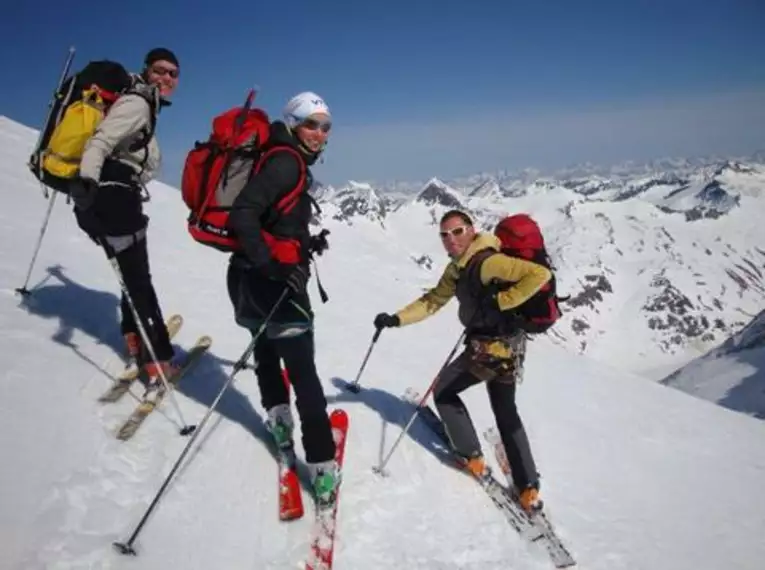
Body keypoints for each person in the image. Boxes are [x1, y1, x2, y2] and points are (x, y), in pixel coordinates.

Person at [374, 209, 553, 513]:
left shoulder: (487, 262)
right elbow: (433, 300)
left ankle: (471, 455)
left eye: (457, 231)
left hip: (487, 349)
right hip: (509, 350)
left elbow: (540, 275)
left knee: (443, 391)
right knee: (506, 412)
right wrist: (397, 318)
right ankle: (528, 488)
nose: (451, 239)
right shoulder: (457, 268)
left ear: (472, 230)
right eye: (444, 234)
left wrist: (501, 301)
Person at [225, 92, 338, 507]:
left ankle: (279, 425)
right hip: (273, 284)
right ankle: (323, 467)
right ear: (293, 123)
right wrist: (274, 266)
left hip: (245, 281)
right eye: (312, 124)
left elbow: (271, 219)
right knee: (304, 375)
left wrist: (302, 244)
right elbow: (244, 213)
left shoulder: (279, 155)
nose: (320, 134)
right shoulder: (287, 162)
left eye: (326, 126)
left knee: (267, 355)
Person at [70, 48, 180, 398]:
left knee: (129, 275)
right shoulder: (138, 103)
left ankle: (134, 343)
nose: (166, 78)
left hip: (109, 196)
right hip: (113, 196)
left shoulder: (141, 103)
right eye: (160, 70)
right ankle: (159, 361)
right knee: (139, 281)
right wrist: (86, 187)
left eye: (173, 74)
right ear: (147, 71)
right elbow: (100, 142)